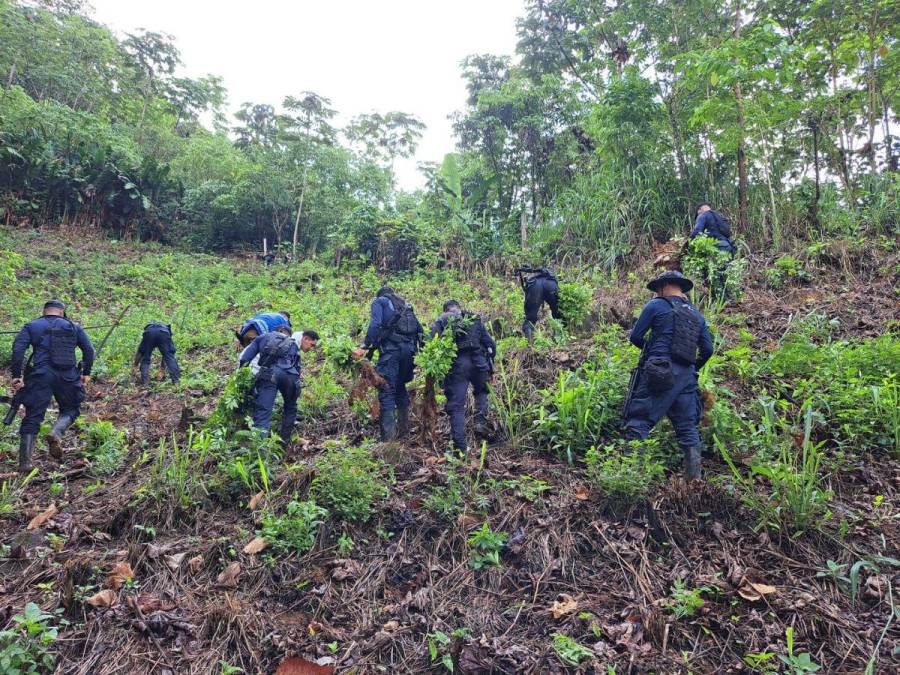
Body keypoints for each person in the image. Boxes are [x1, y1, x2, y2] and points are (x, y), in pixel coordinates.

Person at [623, 272, 713, 480]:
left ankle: (631, 479)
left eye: (657, 290)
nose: (655, 294)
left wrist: (652, 352)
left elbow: (636, 336)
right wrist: (691, 367)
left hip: (659, 372)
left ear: (664, 286)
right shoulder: (697, 315)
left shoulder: (655, 306)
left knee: (639, 422)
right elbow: (707, 349)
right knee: (688, 428)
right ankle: (694, 484)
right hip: (687, 378)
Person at [9, 300, 94, 473]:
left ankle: (25, 463)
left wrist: (17, 376)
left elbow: (18, 350)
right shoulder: (73, 326)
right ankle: (56, 431)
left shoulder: (31, 326)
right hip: (68, 375)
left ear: (44, 311)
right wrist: (86, 372)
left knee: (32, 415)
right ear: (62, 312)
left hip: (39, 376)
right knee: (71, 409)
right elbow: (89, 350)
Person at [352, 286, 423, 441]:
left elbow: (375, 324)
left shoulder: (380, 302)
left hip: (391, 353)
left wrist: (365, 345)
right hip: (409, 354)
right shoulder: (406, 306)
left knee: (387, 390)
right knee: (400, 388)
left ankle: (388, 440)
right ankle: (404, 433)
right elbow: (420, 331)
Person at [431, 300, 496, 453]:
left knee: (457, 406)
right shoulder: (474, 318)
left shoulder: (443, 319)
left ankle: (460, 447)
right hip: (480, 363)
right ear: (459, 308)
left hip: (459, 365)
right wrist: (491, 369)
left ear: (446, 310)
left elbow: (432, 340)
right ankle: (480, 422)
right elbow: (490, 344)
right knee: (481, 392)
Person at [238, 325, 318, 443]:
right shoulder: (292, 343)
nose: (312, 348)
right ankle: (284, 443)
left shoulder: (262, 338)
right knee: (291, 407)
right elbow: (296, 369)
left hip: (268, 375)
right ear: (305, 339)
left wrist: (243, 380)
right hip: (288, 376)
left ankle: (260, 450)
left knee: (263, 412)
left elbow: (244, 359)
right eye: (312, 345)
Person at [517, 266, 562, 345]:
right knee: (559, 315)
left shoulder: (532, 280)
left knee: (529, 320)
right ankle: (561, 341)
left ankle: (530, 346)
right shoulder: (550, 277)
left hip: (534, 286)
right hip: (551, 284)